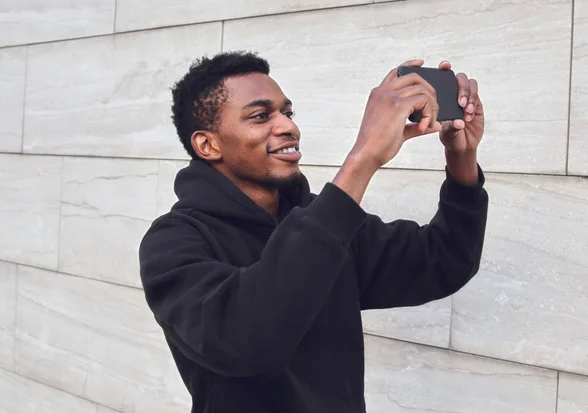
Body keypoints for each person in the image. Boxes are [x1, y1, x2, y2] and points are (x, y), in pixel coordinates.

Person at [139, 51, 488, 413]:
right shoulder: (173, 242)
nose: (289, 127)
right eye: (260, 116)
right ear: (207, 145)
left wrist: (461, 158)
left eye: (287, 112)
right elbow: (245, 342)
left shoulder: (322, 218)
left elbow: (442, 261)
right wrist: (363, 159)